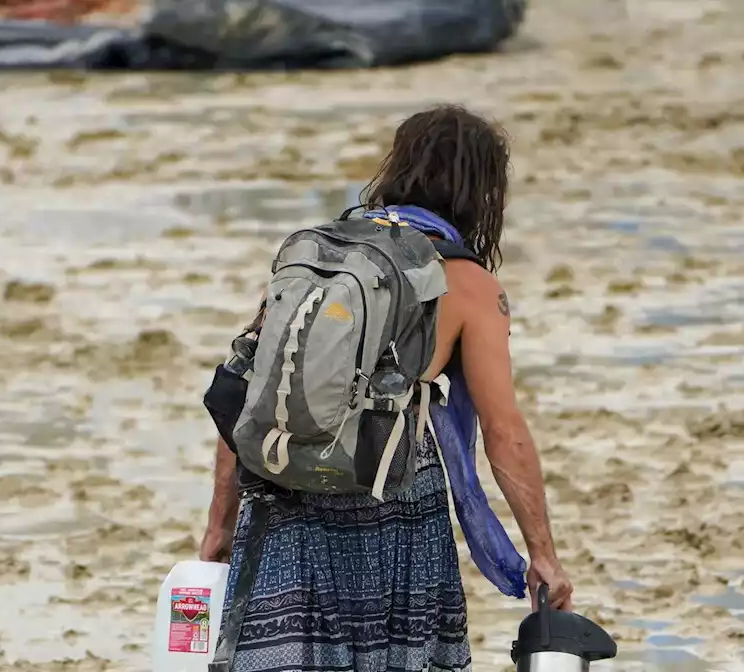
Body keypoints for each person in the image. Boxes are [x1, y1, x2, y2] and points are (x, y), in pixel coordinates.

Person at [199, 104, 572, 672]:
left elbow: (252, 394)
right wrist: (542, 555)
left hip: (284, 500)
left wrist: (218, 529)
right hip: (394, 503)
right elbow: (504, 433)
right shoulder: (469, 283)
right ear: (483, 192)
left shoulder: (317, 254)